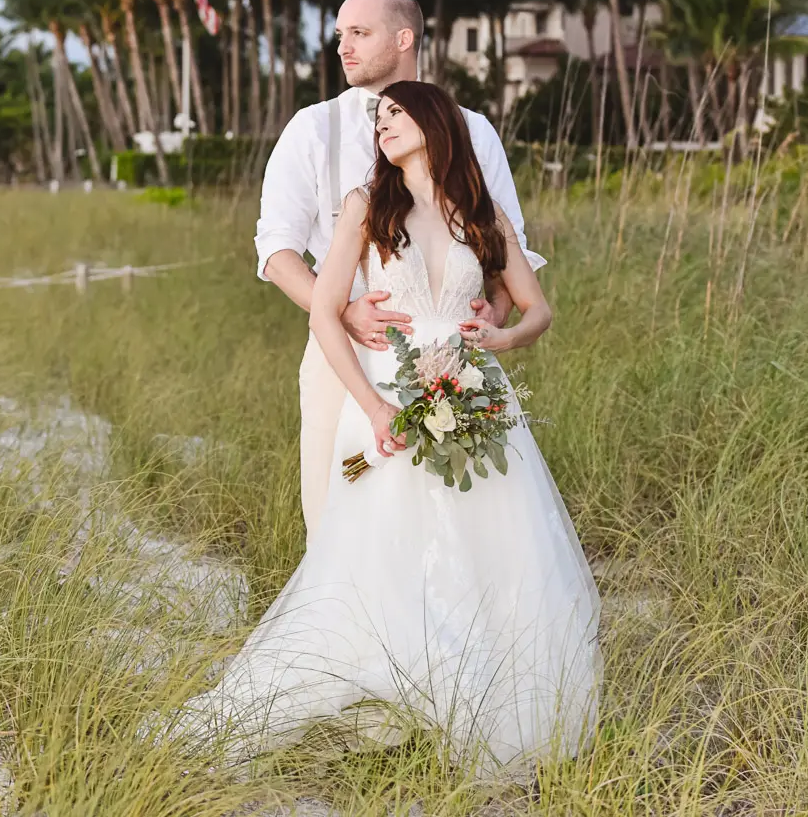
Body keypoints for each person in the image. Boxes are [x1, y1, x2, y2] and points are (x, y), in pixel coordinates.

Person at [167, 81, 599, 776]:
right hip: (387, 394)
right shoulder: (365, 207)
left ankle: (473, 694)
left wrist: (502, 342)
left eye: (397, 113)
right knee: (380, 545)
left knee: (491, 543)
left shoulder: (480, 213)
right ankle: (384, 701)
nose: (384, 125)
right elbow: (323, 313)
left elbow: (537, 309)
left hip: (477, 395)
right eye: (380, 117)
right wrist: (371, 407)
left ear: (434, 122)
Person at [254, 0, 545, 544]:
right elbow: (276, 248)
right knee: (337, 508)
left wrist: (493, 318)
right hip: (342, 356)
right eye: (340, 35)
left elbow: (511, 248)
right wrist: (339, 311)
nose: (343, 47)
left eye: (359, 33)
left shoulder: (473, 129)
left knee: (468, 521)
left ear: (404, 38)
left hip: (452, 357)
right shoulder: (312, 128)